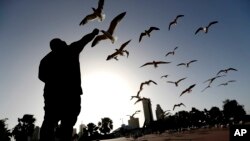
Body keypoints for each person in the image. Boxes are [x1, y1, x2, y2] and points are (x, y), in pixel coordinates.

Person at [39, 28, 99, 141]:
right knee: (67, 121)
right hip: (70, 93)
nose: (64, 42)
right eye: (62, 42)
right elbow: (84, 40)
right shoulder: (71, 49)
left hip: (52, 94)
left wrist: (53, 81)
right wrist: (93, 33)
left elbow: (41, 76)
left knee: (49, 121)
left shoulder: (45, 60)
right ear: (59, 44)